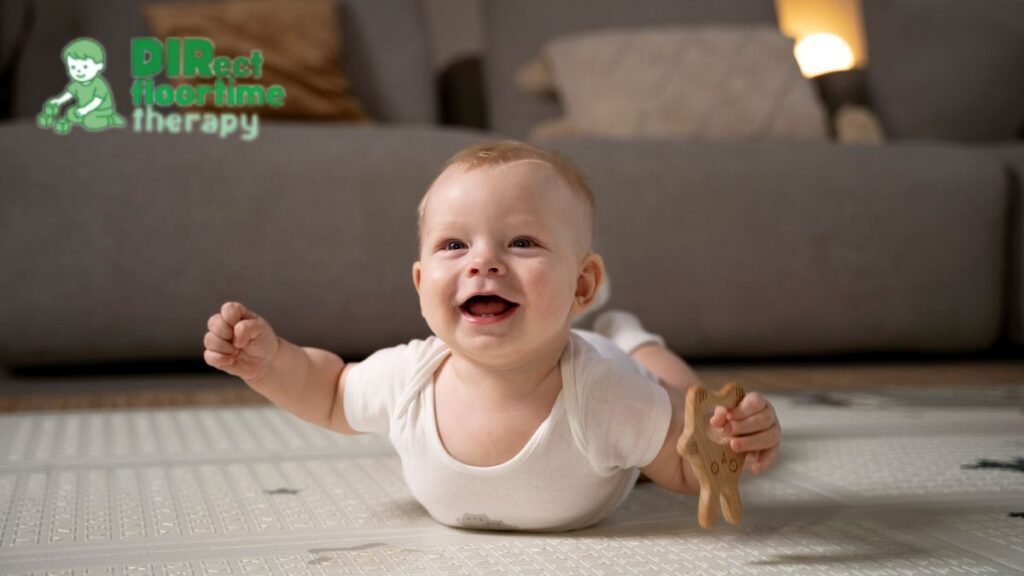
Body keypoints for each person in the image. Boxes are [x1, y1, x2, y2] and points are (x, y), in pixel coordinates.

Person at [203, 140, 781, 531]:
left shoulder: (607, 396)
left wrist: (732, 440)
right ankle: (621, 327)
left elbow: (684, 470)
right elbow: (328, 391)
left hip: (612, 366)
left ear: (581, 285)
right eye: (454, 245)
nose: (483, 263)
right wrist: (270, 361)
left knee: (677, 388)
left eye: (522, 242)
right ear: (422, 281)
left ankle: (632, 336)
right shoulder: (410, 377)